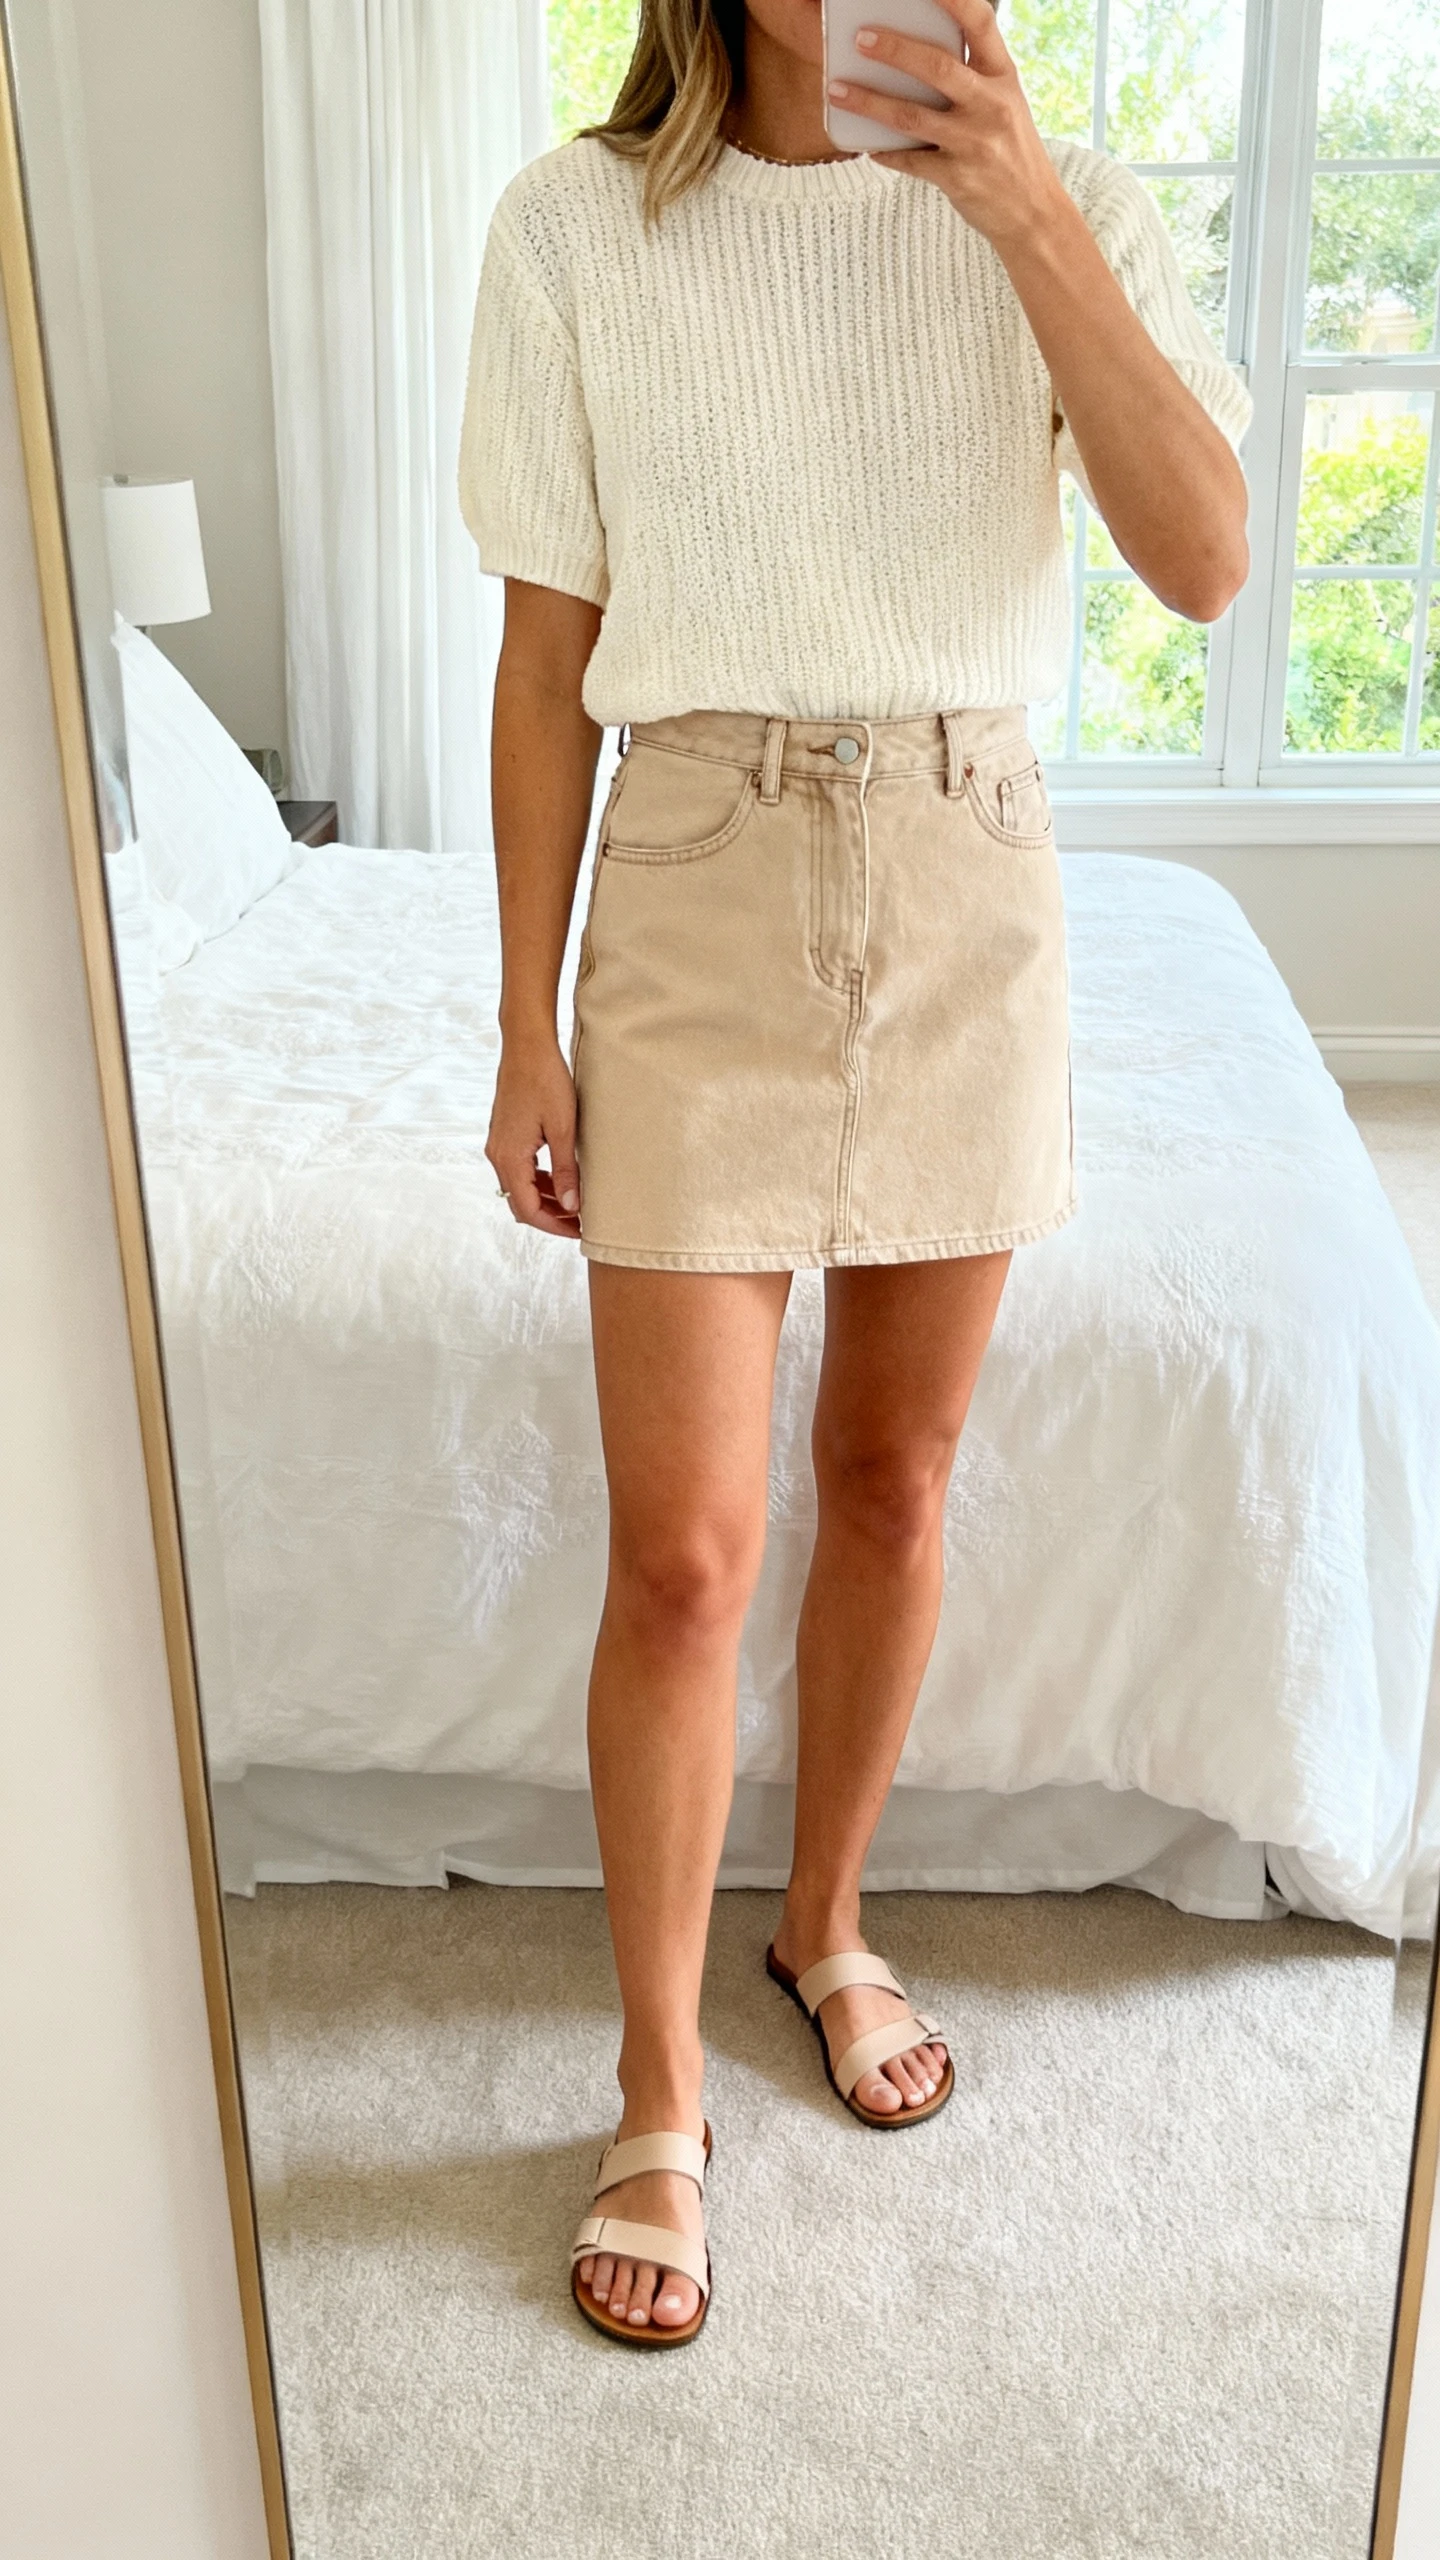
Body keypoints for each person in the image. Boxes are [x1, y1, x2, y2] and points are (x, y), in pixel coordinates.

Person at [459, 0, 1251, 2347]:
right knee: (685, 1551)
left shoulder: (1064, 197)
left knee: (896, 1474)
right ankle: (652, 2084)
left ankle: (823, 1919)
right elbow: (538, 664)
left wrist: (1018, 209)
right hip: (693, 866)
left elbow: (1206, 561)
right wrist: (524, 1014)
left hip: (966, 862)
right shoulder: (578, 227)